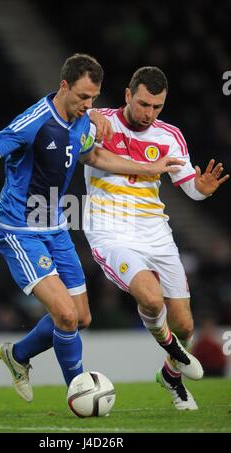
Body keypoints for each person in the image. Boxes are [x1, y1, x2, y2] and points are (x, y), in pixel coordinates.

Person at [0, 55, 186, 403]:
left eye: (94, 99)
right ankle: (81, 392)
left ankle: (18, 356)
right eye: (82, 98)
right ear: (63, 87)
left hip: (56, 228)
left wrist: (150, 168)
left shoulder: (83, 122)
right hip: (20, 231)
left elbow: (96, 158)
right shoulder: (35, 122)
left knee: (81, 317)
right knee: (66, 315)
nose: (88, 105)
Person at [83, 66, 229, 410]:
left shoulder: (169, 136)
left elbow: (189, 186)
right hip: (110, 230)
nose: (149, 113)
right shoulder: (99, 121)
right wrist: (88, 111)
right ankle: (174, 349)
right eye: (144, 104)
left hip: (156, 233)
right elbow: (69, 114)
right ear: (128, 95)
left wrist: (201, 190)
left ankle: (170, 374)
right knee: (150, 299)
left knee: (184, 323)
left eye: (157, 107)